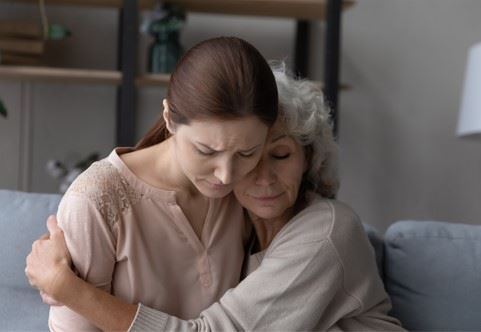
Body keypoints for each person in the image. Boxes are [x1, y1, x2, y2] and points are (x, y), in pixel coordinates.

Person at [27, 64, 405, 331]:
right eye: (249, 156)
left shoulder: (326, 232)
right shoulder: (232, 218)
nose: (263, 177)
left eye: (282, 155)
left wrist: (68, 289)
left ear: (309, 157)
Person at [24, 36, 278, 331]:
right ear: (169, 117)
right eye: (206, 151)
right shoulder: (96, 200)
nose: (225, 175)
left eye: (246, 153)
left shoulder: (249, 190)